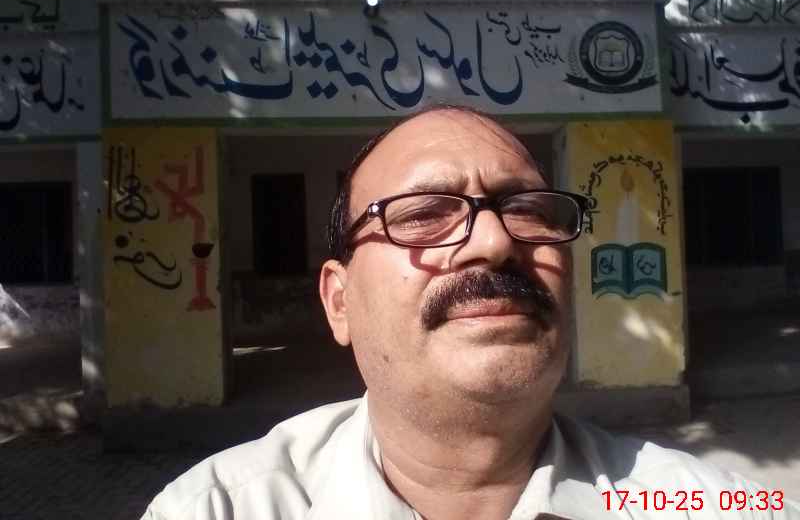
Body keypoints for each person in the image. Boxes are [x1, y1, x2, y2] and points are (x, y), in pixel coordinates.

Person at [142, 105, 799, 519]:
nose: (494, 241)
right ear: (339, 301)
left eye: (528, 210)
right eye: (424, 214)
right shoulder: (219, 508)